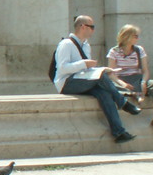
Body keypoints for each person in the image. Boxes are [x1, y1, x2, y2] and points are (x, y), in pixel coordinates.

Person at [53, 15, 140, 143]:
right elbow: (62, 68)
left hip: (82, 80)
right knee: (101, 78)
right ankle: (123, 103)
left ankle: (119, 132)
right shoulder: (66, 44)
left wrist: (104, 69)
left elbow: (87, 71)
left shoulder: (86, 45)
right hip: (67, 83)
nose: (94, 30)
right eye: (91, 27)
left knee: (104, 94)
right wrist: (84, 64)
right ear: (82, 27)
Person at [107, 24, 153, 135]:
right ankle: (136, 95)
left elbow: (145, 70)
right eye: (135, 36)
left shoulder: (139, 50)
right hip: (120, 80)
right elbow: (111, 73)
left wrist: (144, 82)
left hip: (137, 78)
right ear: (127, 36)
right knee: (116, 89)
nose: (137, 38)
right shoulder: (114, 51)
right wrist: (122, 83)